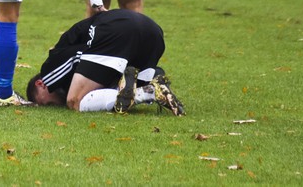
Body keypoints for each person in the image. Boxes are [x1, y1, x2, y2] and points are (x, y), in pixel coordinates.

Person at [26, 9, 185, 116]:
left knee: (75, 101)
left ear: (41, 84)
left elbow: (77, 56)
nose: (52, 104)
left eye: (46, 103)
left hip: (116, 30)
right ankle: (153, 81)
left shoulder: (50, 68)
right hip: (153, 31)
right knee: (117, 85)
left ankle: (146, 92)